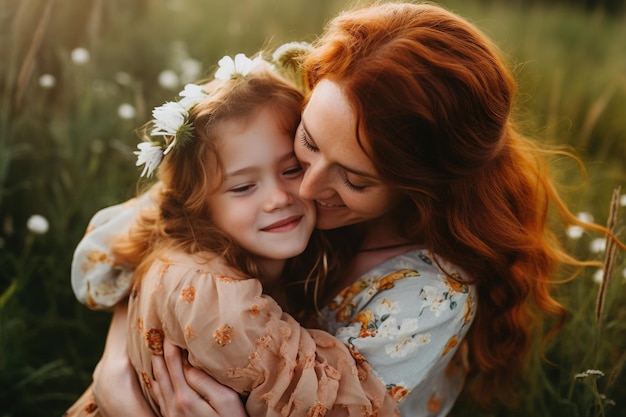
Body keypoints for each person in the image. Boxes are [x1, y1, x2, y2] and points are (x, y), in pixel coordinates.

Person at [67, 2, 624, 417]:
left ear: (421, 187)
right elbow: (112, 257)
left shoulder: (428, 296)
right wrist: (118, 368)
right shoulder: (265, 158)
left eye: (354, 179)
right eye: (305, 144)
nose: (303, 188)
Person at [65, 53, 402, 417]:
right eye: (243, 187)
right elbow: (320, 403)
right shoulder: (213, 297)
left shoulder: (246, 252)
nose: (277, 198)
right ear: (198, 205)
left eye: (291, 169)